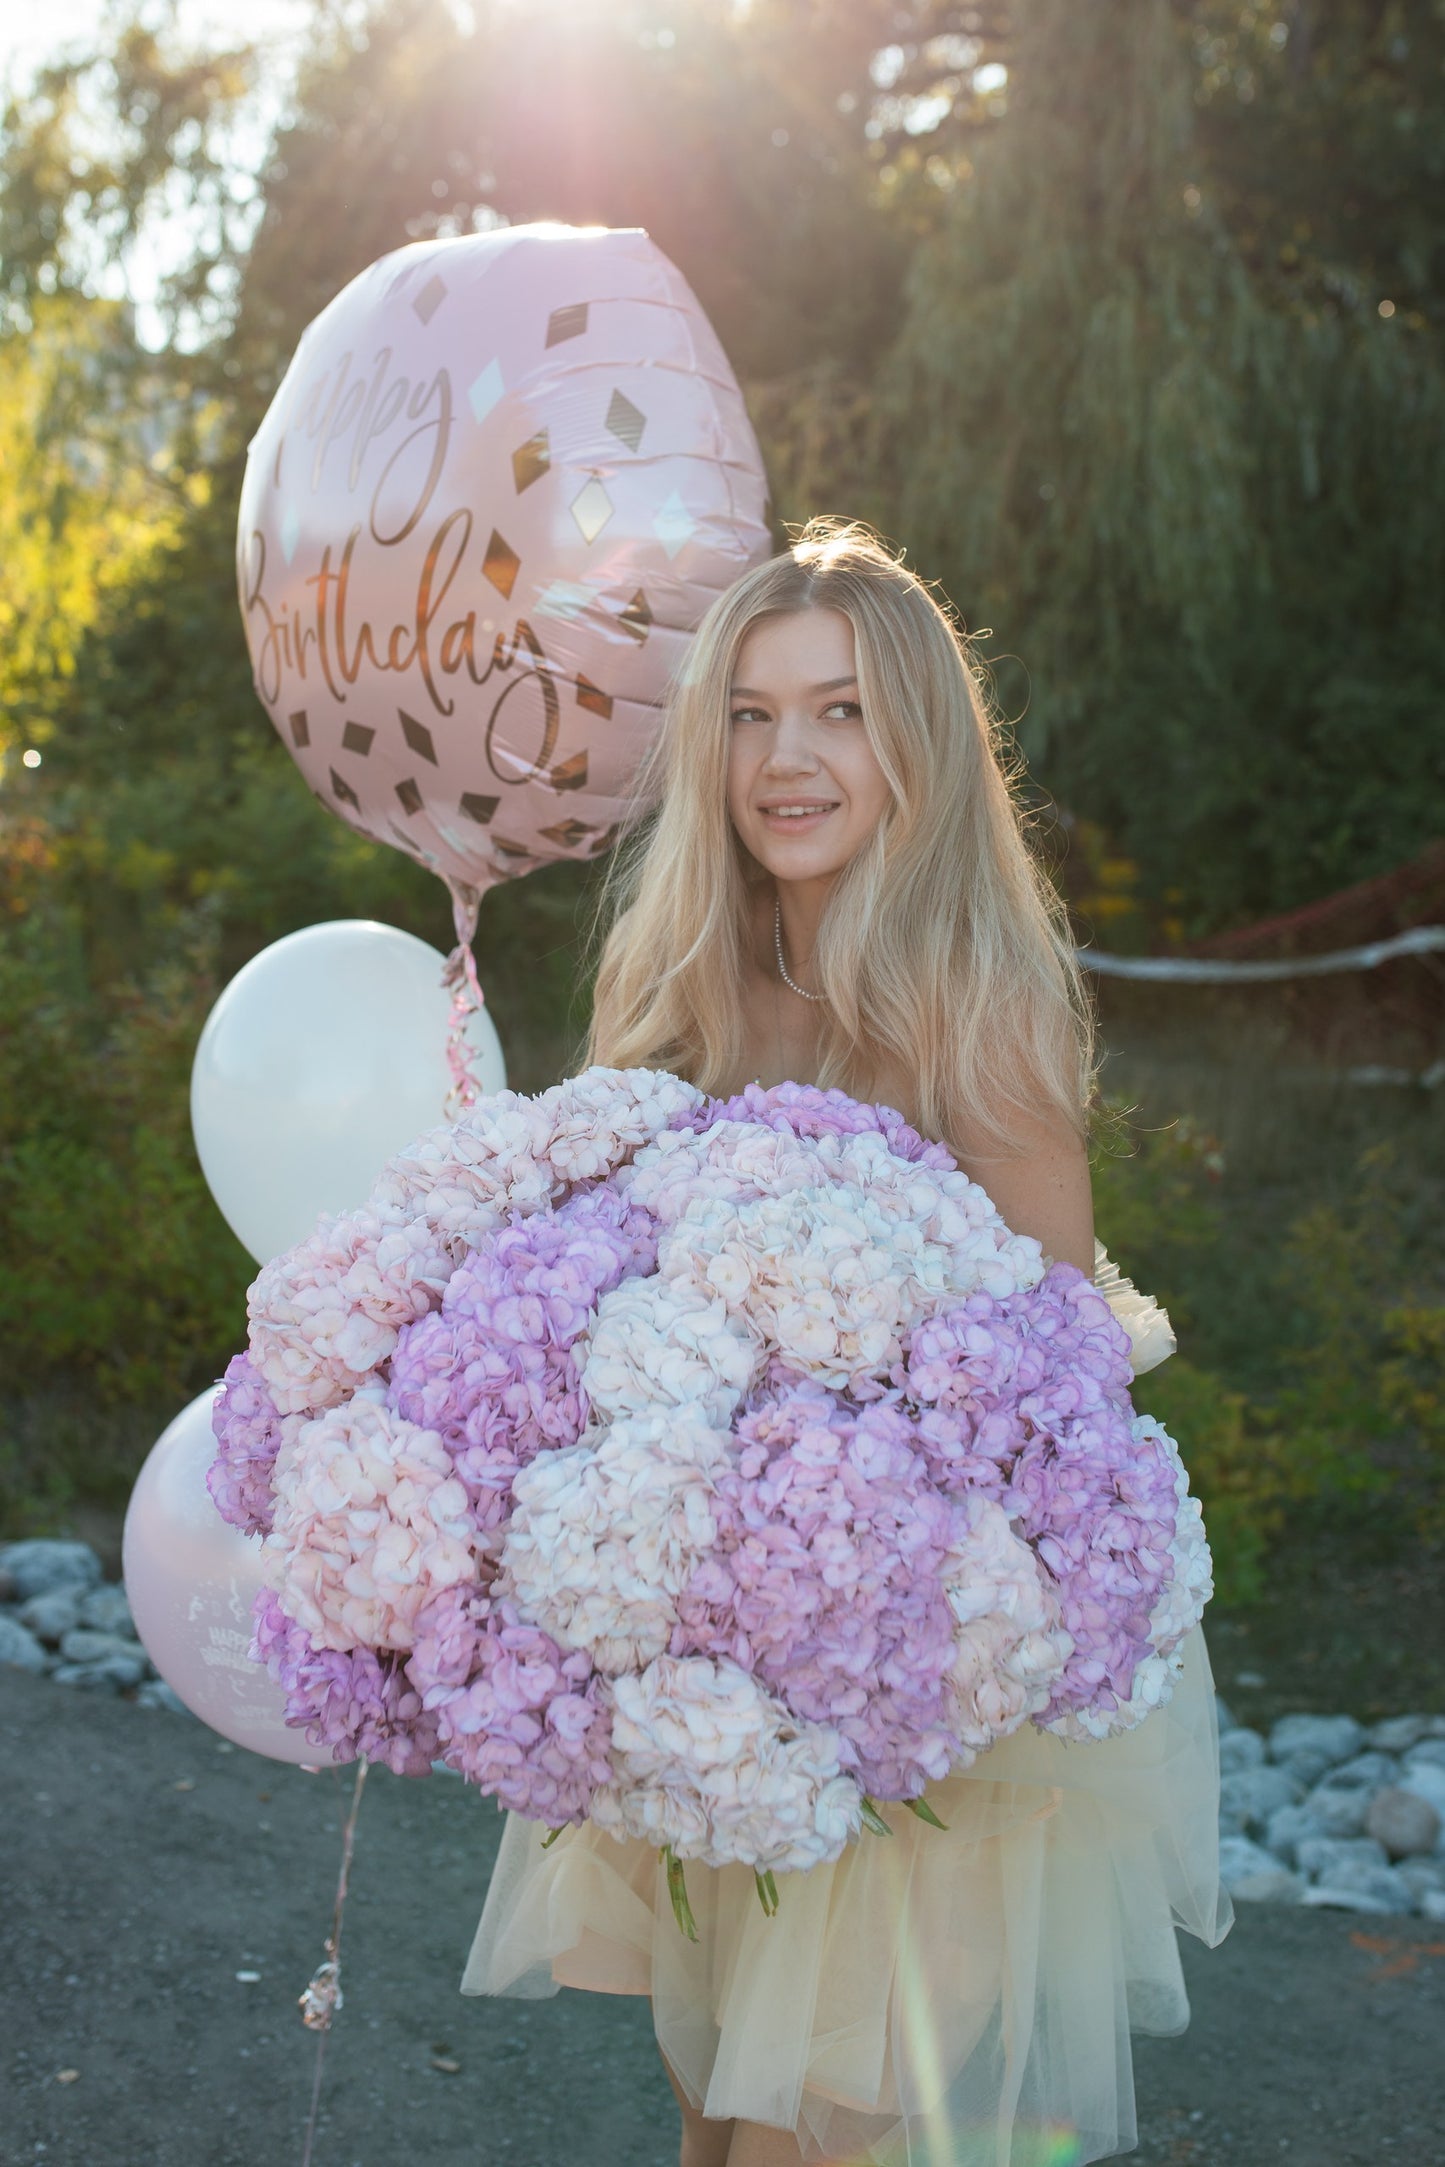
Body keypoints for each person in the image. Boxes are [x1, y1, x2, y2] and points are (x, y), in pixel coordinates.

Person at [460, 519, 1232, 2167]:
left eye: (836, 712)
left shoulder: (979, 999)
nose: (783, 758)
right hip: (712, 1658)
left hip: (907, 1675)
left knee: (820, 2131)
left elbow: (1048, 1382)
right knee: (712, 2119)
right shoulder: (680, 984)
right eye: (747, 714)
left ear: (916, 746)